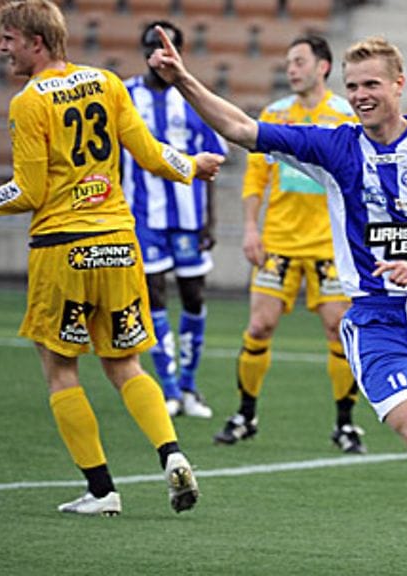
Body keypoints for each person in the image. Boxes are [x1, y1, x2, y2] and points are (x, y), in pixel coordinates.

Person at [148, 28, 407, 576]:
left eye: (373, 83)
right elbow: (239, 128)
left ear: (399, 84)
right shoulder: (335, 145)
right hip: (377, 319)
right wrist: (182, 79)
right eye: (354, 85)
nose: (363, 93)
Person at [0, 0, 223, 516]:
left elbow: (28, 191)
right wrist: (192, 167)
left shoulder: (28, 102)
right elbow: (151, 152)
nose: (2, 48)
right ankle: (172, 453)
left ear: (36, 42)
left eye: (10, 39)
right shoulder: (108, 82)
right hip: (118, 243)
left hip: (63, 250)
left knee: (60, 368)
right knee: (125, 362)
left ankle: (101, 490)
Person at [213, 34, 364, 454]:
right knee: (259, 326)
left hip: (328, 246)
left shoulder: (344, 115)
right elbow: (255, 177)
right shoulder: (275, 114)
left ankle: (345, 424)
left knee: (339, 332)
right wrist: (249, 228)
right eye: (288, 62)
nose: (291, 69)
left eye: (299, 61)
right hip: (277, 242)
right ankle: (245, 414)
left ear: (323, 67)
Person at [122, 20, 227, 419]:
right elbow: (115, 162)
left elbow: (212, 164)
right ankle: (169, 387)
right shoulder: (126, 96)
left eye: (167, 47)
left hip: (188, 216)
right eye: (152, 46)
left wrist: (210, 221)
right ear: (143, 49)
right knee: (153, 297)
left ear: (178, 52)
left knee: (194, 296)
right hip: (142, 216)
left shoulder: (193, 99)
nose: (159, 54)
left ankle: (189, 386)